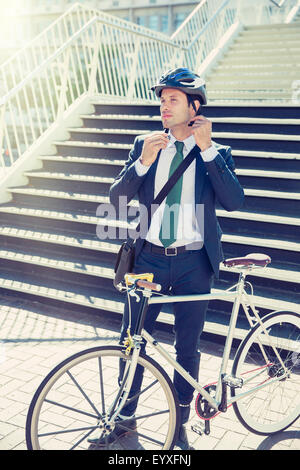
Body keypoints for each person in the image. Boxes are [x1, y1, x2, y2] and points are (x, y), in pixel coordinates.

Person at [89, 67, 244, 449]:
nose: (163, 106)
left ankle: (179, 423)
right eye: (161, 99)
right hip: (148, 262)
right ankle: (124, 420)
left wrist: (207, 150)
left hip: (195, 265)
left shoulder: (217, 152)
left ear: (194, 106)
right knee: (132, 341)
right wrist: (142, 161)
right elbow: (116, 198)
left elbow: (234, 201)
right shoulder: (146, 143)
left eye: (173, 99)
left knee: (187, 348)